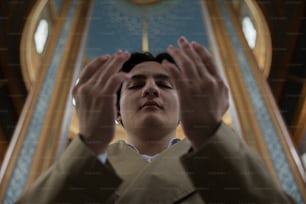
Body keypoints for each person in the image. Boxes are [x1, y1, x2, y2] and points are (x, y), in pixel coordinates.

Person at [17, 37, 295, 203]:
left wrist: (211, 133)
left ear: (185, 103)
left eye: (165, 84)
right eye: (136, 85)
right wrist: (89, 144)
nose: (151, 89)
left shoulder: (222, 162)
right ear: (115, 111)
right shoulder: (81, 167)